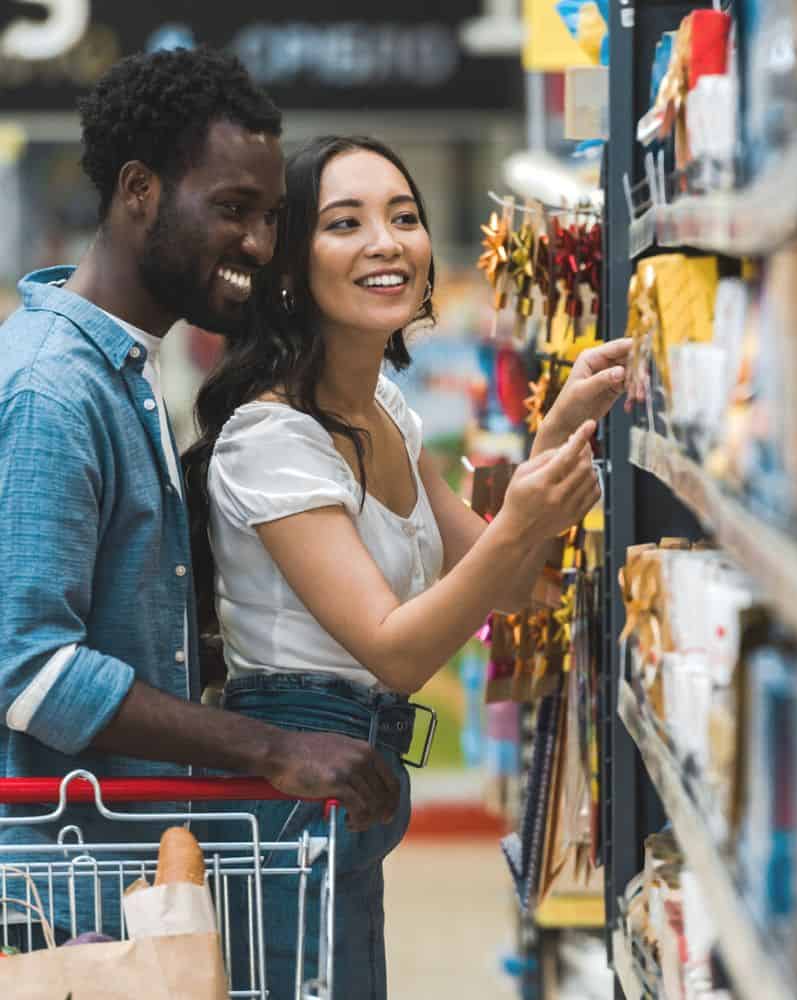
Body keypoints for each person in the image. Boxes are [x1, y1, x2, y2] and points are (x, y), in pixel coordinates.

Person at [182, 134, 632, 998]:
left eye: (404, 216)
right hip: (290, 794)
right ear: (288, 266)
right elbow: (396, 649)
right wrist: (523, 520)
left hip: (359, 782)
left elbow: (520, 580)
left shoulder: (386, 411)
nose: (387, 242)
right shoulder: (271, 438)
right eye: (344, 223)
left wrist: (557, 435)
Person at [0, 50, 403, 944]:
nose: (259, 244)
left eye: (270, 217)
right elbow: (28, 670)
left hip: (133, 881)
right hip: (65, 911)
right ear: (138, 189)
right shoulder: (52, 390)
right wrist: (273, 748)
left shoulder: (127, 375)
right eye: (231, 209)